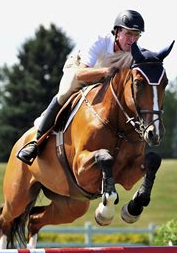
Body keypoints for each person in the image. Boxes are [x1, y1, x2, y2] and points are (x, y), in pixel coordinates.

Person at [17, 10, 145, 165]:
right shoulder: (100, 42)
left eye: (136, 35)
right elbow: (80, 74)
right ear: (117, 32)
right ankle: (36, 142)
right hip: (80, 70)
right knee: (65, 93)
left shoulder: (134, 51)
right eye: (128, 34)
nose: (132, 40)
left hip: (104, 82)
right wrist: (106, 72)